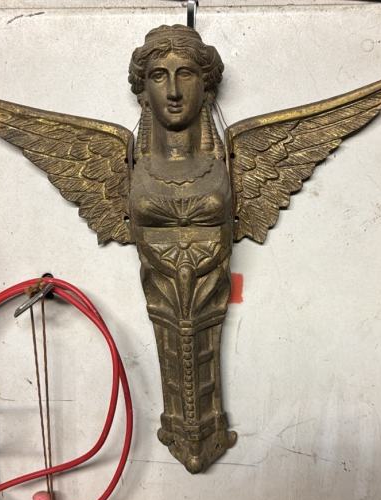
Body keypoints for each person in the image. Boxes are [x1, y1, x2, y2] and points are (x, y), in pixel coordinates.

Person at [126, 24, 238, 474]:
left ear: (206, 87)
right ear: (143, 91)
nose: (173, 91)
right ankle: (183, 429)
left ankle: (203, 430)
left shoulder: (228, 162)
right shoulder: (131, 163)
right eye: (159, 76)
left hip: (210, 295)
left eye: (185, 74)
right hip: (162, 297)